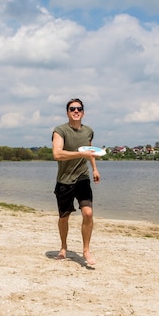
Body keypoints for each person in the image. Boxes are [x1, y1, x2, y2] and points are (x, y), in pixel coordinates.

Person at [52, 98, 101, 265]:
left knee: (88, 213)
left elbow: (90, 150)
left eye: (79, 108)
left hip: (82, 178)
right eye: (72, 108)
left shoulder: (88, 131)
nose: (76, 111)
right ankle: (64, 246)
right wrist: (80, 154)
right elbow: (57, 154)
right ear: (67, 112)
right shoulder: (60, 131)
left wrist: (94, 168)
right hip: (64, 180)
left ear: (83, 112)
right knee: (64, 217)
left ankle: (86, 250)